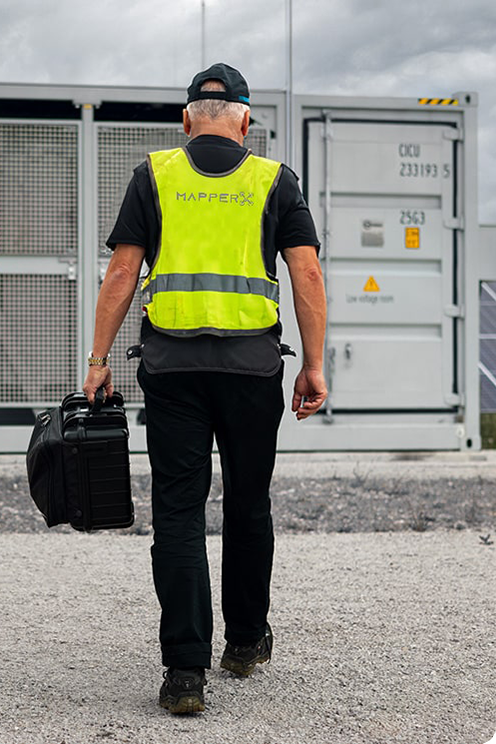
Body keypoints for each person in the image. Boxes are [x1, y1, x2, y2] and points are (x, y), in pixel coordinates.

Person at [82, 63, 327, 715]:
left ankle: (185, 673)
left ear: (187, 119)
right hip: (252, 372)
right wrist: (313, 364)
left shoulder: (154, 174)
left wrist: (98, 360)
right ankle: (244, 643)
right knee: (248, 504)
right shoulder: (274, 180)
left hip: (173, 372)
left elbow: (122, 273)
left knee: (179, 512)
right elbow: (306, 273)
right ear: (246, 120)